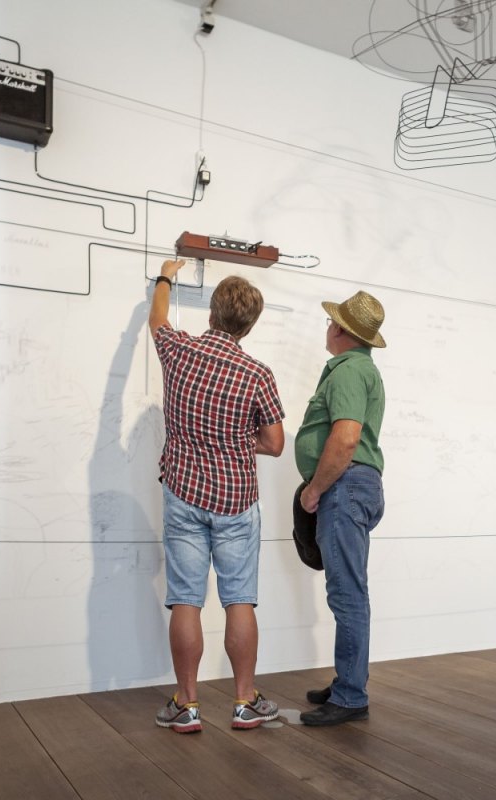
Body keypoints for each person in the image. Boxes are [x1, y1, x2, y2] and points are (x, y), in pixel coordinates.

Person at [148, 259, 285, 732]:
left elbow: (157, 318)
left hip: (184, 493)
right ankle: (245, 701)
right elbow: (275, 443)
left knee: (186, 599)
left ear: (211, 312)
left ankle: (186, 705)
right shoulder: (257, 374)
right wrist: (238, 440)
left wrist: (165, 276)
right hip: (236, 501)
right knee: (239, 598)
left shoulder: (179, 351)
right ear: (248, 326)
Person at [295, 290, 387, 726]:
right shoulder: (360, 369)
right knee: (350, 590)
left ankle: (351, 696)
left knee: (347, 593)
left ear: (341, 330)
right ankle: (349, 680)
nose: (327, 327)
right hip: (353, 487)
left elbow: (346, 438)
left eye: (331, 322)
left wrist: (315, 489)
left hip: (343, 487)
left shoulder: (349, 371)